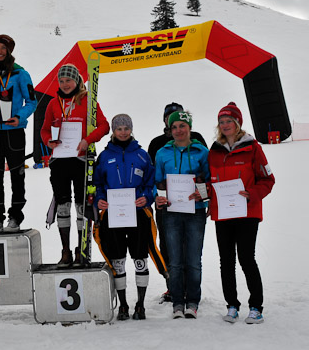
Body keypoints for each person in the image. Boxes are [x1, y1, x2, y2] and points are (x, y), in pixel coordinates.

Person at [93, 114, 167, 321]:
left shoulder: (142, 155)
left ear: (131, 130)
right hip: (113, 215)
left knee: (140, 259)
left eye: (126, 128)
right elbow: (98, 184)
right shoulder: (105, 156)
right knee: (117, 260)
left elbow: (151, 184)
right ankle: (123, 305)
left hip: (138, 214)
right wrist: (99, 199)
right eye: (119, 129)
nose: (123, 132)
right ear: (114, 131)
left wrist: (146, 197)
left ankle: (140, 305)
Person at [209, 102, 275, 324]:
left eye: (229, 121)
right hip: (223, 215)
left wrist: (251, 194)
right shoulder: (215, 150)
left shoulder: (253, 147)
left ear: (238, 124)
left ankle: (256, 307)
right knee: (226, 261)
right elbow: (211, 182)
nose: (225, 125)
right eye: (222, 122)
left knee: (246, 258)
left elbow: (268, 179)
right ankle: (232, 306)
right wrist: (204, 193)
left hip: (247, 213)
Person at [40, 63, 109, 266]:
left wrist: (88, 140)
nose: (65, 84)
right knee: (63, 204)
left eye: (68, 80)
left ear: (77, 80)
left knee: (81, 204)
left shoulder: (88, 100)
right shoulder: (54, 103)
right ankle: (65, 251)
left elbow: (104, 125)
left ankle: (81, 249)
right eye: (61, 81)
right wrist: (48, 142)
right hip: (60, 160)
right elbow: (44, 130)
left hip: (82, 160)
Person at [147, 102, 207, 303]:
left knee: (190, 252)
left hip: (193, 208)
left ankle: (191, 294)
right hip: (168, 207)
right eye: (171, 120)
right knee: (169, 248)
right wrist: (157, 196)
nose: (177, 128)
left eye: (180, 121)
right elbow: (153, 177)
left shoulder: (198, 142)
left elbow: (206, 177)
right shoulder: (157, 145)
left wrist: (203, 194)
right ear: (165, 121)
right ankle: (172, 289)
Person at [0, 34, 37, 232]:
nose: (0, 51)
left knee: (17, 175)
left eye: (3, 48)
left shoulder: (21, 74)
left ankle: (15, 217)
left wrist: (20, 117)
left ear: (10, 50)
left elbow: (32, 101)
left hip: (14, 131)